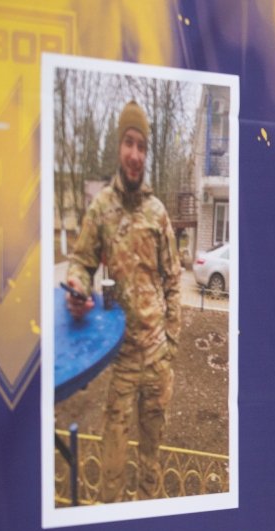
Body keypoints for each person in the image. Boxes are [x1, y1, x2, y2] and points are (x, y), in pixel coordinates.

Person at [65, 100, 181, 503]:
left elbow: (173, 279)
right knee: (111, 464)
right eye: (129, 143)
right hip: (121, 359)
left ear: (147, 154)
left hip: (156, 360)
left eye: (142, 147)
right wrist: (77, 291)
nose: (135, 154)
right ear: (119, 147)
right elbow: (80, 263)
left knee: (151, 462)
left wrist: (172, 343)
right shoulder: (101, 209)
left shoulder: (158, 213)